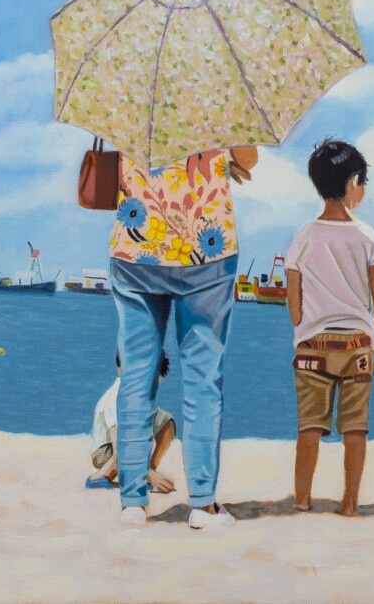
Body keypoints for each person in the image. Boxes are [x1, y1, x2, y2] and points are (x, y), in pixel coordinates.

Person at [109, 144, 258, 530]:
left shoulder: (129, 103)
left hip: (136, 248)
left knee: (136, 377)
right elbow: (248, 159)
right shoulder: (220, 106)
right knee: (202, 380)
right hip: (206, 249)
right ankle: (203, 505)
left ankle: (132, 503)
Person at [286, 139, 374, 517]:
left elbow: (293, 294)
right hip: (357, 345)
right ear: (353, 182)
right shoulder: (369, 237)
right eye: (363, 183)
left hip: (312, 345)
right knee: (355, 427)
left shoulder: (303, 236)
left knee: (309, 426)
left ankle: (302, 498)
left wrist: (302, 326)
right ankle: (349, 502)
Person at [88, 353, 176, 491]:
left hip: (129, 445)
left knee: (166, 421)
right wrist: (148, 475)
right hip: (106, 452)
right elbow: (120, 448)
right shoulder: (116, 398)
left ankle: (145, 471)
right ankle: (99, 477)